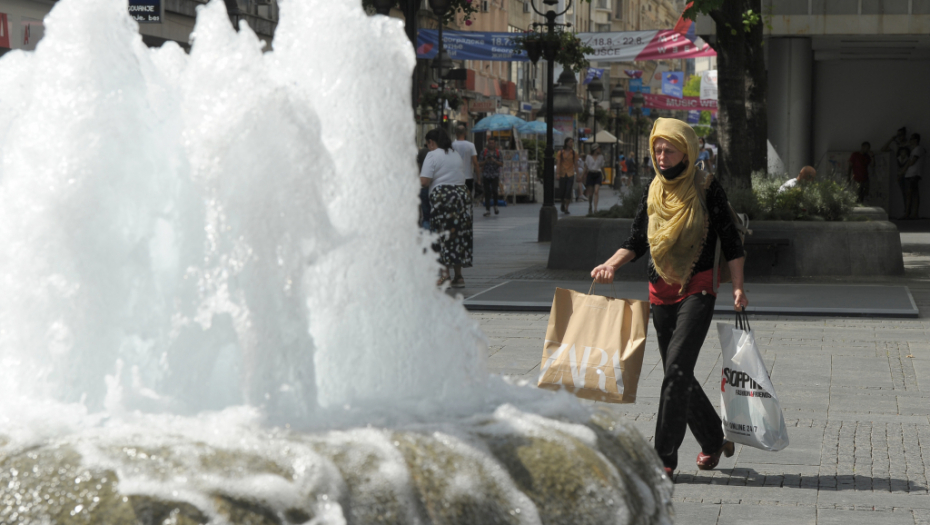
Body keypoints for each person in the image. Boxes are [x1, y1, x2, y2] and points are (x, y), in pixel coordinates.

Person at [590, 118, 748, 477]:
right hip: (660, 292)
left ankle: (662, 458)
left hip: (699, 287)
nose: (661, 156)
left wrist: (738, 287)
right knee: (679, 375)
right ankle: (712, 438)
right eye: (657, 149)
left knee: (676, 371)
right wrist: (610, 265)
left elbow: (733, 241)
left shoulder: (707, 187)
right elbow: (636, 241)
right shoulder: (653, 190)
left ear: (686, 151)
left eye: (669, 149)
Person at [420, 128, 473, 288]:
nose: (428, 146)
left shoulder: (432, 155)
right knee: (458, 236)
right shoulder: (454, 154)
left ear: (431, 142)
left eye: (428, 143)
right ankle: (458, 276)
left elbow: (424, 181)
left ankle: (444, 276)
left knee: (442, 235)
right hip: (461, 196)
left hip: (443, 198)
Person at [882, 127, 911, 206]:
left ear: (904, 135)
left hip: (909, 172)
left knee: (909, 192)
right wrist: (891, 139)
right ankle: (906, 211)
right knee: (903, 192)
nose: (899, 137)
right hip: (899, 172)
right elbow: (883, 149)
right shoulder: (896, 145)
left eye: (901, 135)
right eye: (897, 135)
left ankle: (909, 212)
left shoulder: (909, 145)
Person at [452, 126, 480, 201]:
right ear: (466, 133)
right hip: (468, 177)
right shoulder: (471, 145)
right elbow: (475, 163)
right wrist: (478, 179)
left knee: (456, 199)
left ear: (456, 134)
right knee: (467, 200)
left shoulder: (452, 145)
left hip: (454, 177)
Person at [478, 138, 503, 217]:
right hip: (486, 174)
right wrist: (486, 161)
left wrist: (494, 160)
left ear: (495, 144)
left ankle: (495, 205)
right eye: (489, 143)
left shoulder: (498, 153)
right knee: (487, 192)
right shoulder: (484, 152)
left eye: (492, 143)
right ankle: (487, 210)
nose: (491, 144)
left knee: (495, 191)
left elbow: (501, 163)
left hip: (495, 174)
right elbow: (480, 163)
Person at [901, 133, 924, 220]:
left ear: (915, 140)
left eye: (911, 139)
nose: (910, 141)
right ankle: (911, 213)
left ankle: (910, 214)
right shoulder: (914, 150)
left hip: (914, 174)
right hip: (911, 174)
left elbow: (912, 162)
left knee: (911, 194)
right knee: (911, 194)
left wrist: (904, 169)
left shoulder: (918, 149)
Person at [556, 137, 578, 214]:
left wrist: (578, 175)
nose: (571, 143)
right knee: (562, 192)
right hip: (562, 174)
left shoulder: (574, 153)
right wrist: (557, 173)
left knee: (568, 191)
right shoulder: (560, 152)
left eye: (572, 142)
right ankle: (562, 203)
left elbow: (576, 164)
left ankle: (566, 208)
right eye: (570, 142)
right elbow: (558, 163)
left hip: (570, 174)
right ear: (566, 143)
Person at [585, 144, 606, 213]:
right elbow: (586, 167)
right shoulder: (588, 157)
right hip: (590, 174)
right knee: (590, 194)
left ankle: (595, 208)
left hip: (598, 174)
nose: (600, 150)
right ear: (595, 149)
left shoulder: (601, 157)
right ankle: (590, 205)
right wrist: (581, 176)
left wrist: (604, 175)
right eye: (598, 148)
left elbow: (602, 167)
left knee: (596, 191)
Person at [417, 142, 431, 228]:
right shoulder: (434, 153)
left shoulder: (421, 152)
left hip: (423, 184)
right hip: (432, 185)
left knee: (425, 214)